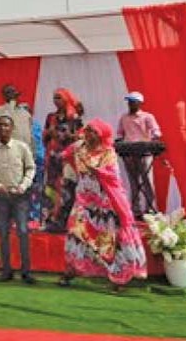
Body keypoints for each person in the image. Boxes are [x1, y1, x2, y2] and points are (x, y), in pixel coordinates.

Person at [59, 119, 147, 291]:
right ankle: (71, 271)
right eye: (88, 130)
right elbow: (65, 155)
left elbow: (113, 177)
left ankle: (118, 278)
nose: (89, 134)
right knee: (75, 232)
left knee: (108, 240)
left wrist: (98, 171)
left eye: (93, 131)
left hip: (105, 203)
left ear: (101, 135)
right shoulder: (79, 147)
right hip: (83, 200)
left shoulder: (108, 153)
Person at [0, 115, 36, 284]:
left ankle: (26, 271)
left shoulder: (22, 147)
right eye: (0, 125)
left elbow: (30, 168)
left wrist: (24, 185)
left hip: (20, 196)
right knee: (3, 234)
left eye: (6, 125)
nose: (3, 128)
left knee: (22, 231)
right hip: (1, 196)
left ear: (12, 128)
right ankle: (6, 270)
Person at [116, 91, 162, 218]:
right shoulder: (124, 117)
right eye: (129, 101)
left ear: (139, 103)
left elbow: (156, 131)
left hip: (144, 151)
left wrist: (154, 138)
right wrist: (120, 140)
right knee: (133, 181)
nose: (130, 104)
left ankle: (150, 209)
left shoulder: (147, 117)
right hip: (129, 151)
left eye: (133, 101)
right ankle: (135, 210)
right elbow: (120, 133)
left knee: (147, 180)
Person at [43, 123, 77, 232]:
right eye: (58, 130)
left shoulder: (73, 145)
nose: (60, 133)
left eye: (63, 130)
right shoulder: (53, 145)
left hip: (69, 179)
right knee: (52, 199)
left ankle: (64, 223)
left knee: (66, 200)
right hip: (54, 179)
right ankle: (52, 221)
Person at [0, 84, 33, 148]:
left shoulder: (25, 111)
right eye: (8, 92)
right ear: (4, 96)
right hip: (12, 148)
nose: (12, 94)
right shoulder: (0, 109)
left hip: (26, 147)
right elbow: (6, 121)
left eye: (13, 91)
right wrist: (12, 102)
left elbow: (30, 130)